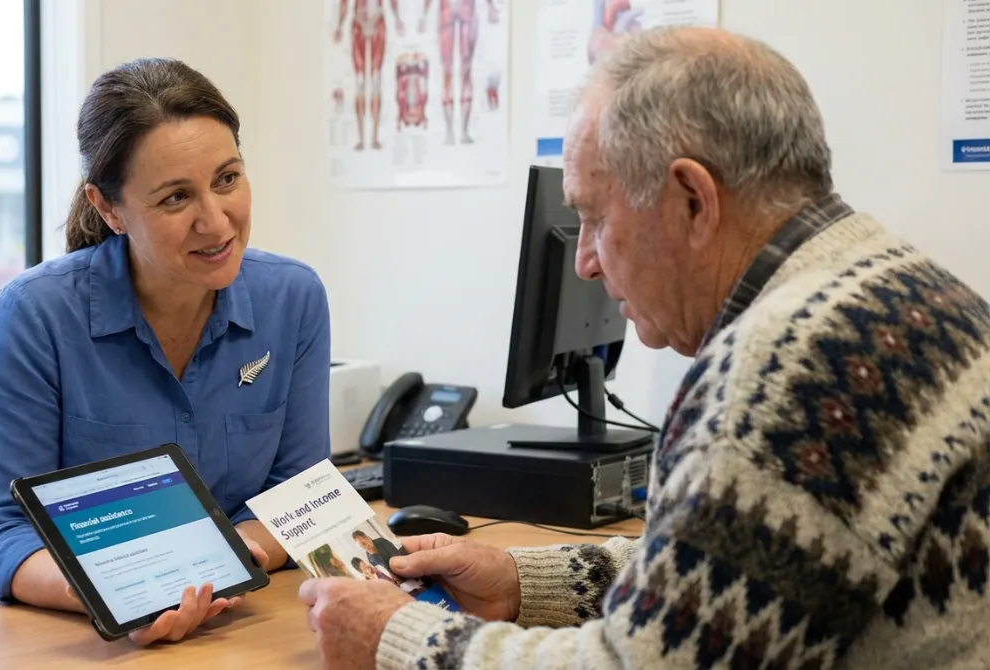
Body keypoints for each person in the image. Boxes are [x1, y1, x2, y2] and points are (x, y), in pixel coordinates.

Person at [298, 26, 990, 669]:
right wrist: (519, 580)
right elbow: (739, 575)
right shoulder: (875, 282)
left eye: (594, 219)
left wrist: (398, 637)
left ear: (692, 199)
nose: (586, 264)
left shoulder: (788, 367)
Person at [0, 57, 331, 646]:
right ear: (109, 209)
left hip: (228, 624)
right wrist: (122, 598)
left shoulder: (294, 297)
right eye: (175, 198)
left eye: (227, 179)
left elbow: (299, 494)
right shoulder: (36, 312)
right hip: (67, 635)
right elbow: (0, 528)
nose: (216, 221)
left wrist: (227, 565)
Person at [419, 0, 500, 144]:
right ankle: (450, 130)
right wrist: (424, 14)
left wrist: (491, 7)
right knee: (448, 72)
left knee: (465, 71)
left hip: (465, 10)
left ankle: (463, 130)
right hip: (448, 12)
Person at [335, 0, 405, 151]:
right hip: (358, 25)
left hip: (377, 24)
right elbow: (344, 3)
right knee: (360, 81)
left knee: (375, 80)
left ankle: (374, 137)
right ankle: (362, 138)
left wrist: (397, 18)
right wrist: (339, 25)